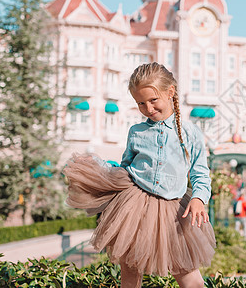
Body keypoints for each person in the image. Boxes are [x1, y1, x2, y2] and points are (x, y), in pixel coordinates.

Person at [63, 62, 215, 288]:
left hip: (173, 211)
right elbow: (125, 167)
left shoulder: (191, 133)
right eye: (141, 103)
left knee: (187, 273)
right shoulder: (137, 132)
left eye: (153, 100)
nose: (148, 108)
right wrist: (103, 171)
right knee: (131, 269)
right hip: (134, 206)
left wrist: (198, 198)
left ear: (170, 92)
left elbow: (201, 173)